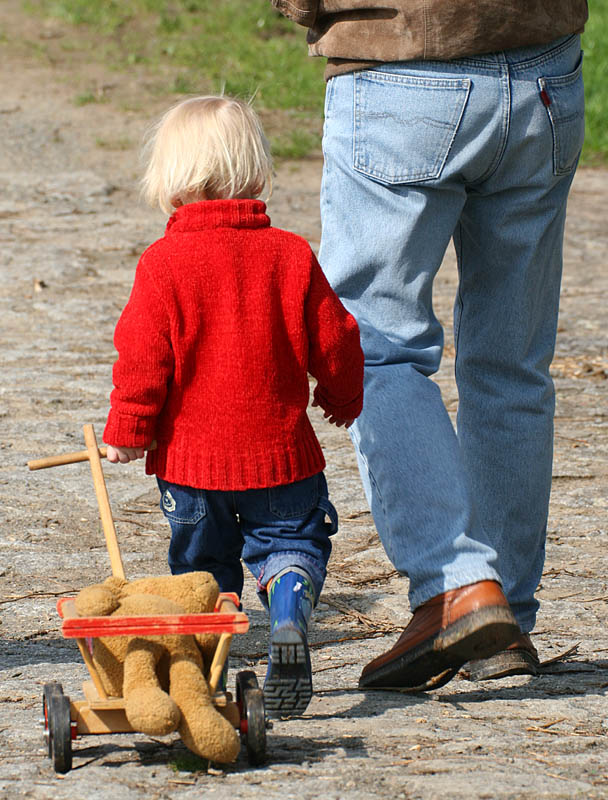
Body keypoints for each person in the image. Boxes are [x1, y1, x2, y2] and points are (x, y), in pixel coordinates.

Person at [271, 0, 588, 688]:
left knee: (375, 348)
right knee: (513, 365)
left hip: (400, 63)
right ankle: (501, 623)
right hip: (543, 71)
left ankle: (459, 586)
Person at [102, 95, 364, 717]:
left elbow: (141, 360)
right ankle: (289, 606)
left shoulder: (163, 264)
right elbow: (336, 338)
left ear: (170, 184)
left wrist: (128, 430)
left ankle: (204, 671)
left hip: (192, 472)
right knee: (291, 543)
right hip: (282, 462)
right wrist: (341, 396)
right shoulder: (290, 254)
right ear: (256, 170)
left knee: (202, 569)